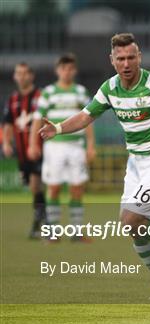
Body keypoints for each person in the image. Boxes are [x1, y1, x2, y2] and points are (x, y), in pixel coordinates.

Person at [39, 33, 150, 298]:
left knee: (131, 219)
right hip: (136, 162)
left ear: (139, 57)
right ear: (112, 60)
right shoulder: (109, 89)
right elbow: (85, 116)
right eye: (121, 58)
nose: (126, 63)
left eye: (131, 57)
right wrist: (58, 128)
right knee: (133, 228)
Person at [29, 53, 95, 241]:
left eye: (70, 68)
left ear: (74, 70)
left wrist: (90, 145)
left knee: (77, 188)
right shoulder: (48, 92)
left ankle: (76, 232)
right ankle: (53, 233)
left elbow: (89, 120)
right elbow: (36, 119)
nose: (67, 72)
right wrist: (33, 143)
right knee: (54, 187)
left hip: (76, 146)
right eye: (63, 68)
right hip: (54, 147)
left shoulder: (81, 92)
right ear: (57, 70)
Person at [2, 62, 46, 239]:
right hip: (22, 153)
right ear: (14, 76)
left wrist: (35, 143)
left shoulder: (40, 96)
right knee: (34, 188)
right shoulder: (12, 99)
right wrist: (6, 143)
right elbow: (8, 123)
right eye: (18, 73)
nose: (21, 77)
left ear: (31, 76)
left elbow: (44, 119)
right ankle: (40, 222)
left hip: (40, 151)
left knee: (38, 184)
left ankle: (45, 224)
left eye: (24, 73)